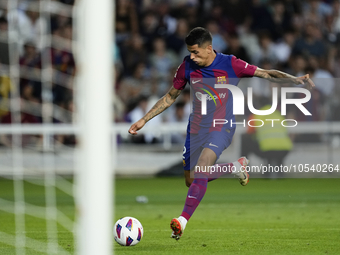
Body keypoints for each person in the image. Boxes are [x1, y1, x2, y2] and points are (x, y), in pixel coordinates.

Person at [128, 27, 315, 240]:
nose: (192, 56)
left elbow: (266, 74)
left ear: (209, 49)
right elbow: (171, 96)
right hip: (196, 129)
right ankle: (234, 167)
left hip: (221, 125)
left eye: (196, 52)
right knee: (192, 180)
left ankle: (182, 220)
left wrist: (294, 80)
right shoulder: (187, 67)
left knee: (202, 167)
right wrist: (144, 119)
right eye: (190, 52)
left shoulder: (231, 64)